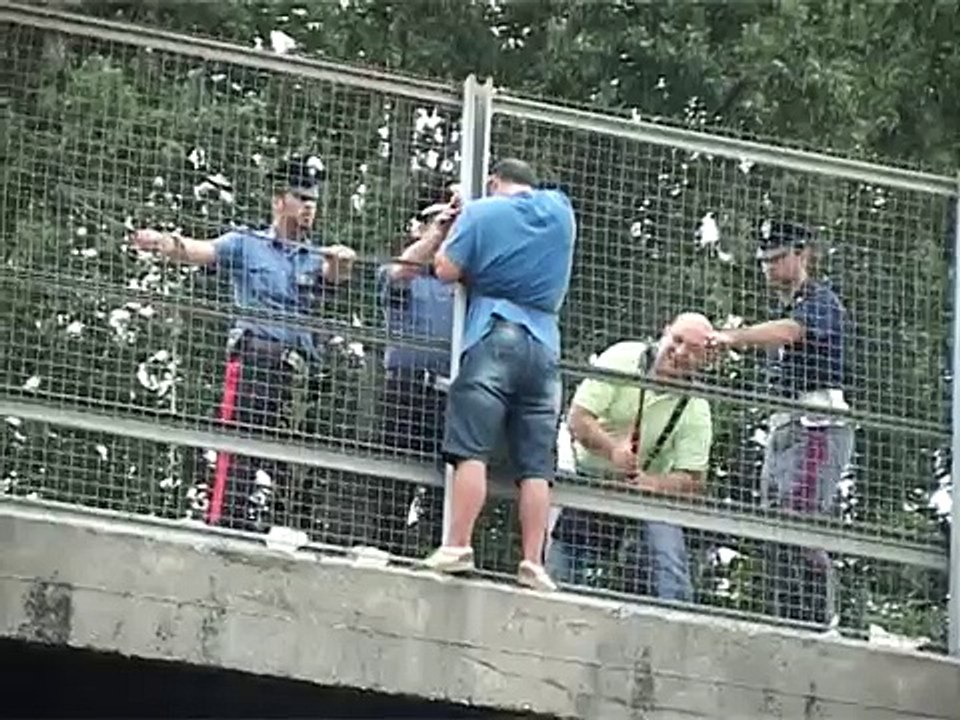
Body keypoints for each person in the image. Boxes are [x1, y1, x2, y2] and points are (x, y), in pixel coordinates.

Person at [131, 154, 356, 532]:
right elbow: (198, 250)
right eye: (301, 197)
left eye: (313, 200)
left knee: (291, 461)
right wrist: (163, 243)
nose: (308, 207)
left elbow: (336, 277)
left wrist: (342, 262)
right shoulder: (245, 244)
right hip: (255, 363)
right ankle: (224, 526)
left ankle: (286, 531)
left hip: (298, 376)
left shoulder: (315, 257)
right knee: (237, 450)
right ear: (278, 201)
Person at [419, 158, 576, 591]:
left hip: (493, 332)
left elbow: (446, 270)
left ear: (493, 182)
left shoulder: (481, 212)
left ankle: (458, 544)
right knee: (537, 465)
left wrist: (471, 239)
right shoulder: (562, 211)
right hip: (545, 345)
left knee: (472, 446)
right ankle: (532, 561)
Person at [711, 219, 853, 626]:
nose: (769, 268)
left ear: (802, 254)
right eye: (763, 261)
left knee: (800, 519)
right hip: (783, 421)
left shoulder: (819, 300)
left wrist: (734, 337)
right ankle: (786, 618)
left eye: (777, 258)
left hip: (816, 422)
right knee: (773, 520)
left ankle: (818, 620)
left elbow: (792, 333)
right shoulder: (782, 309)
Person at [547, 313, 714, 601]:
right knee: (562, 558)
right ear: (664, 332)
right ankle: (546, 613)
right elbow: (578, 418)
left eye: (694, 350)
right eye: (677, 340)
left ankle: (676, 623)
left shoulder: (697, 406)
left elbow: (693, 479)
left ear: (706, 359)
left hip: (645, 493)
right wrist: (612, 450)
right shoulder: (623, 357)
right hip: (586, 474)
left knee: (670, 558)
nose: (681, 352)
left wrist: (655, 484)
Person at [374, 192, 458, 551]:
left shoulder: (462, 286)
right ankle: (385, 551)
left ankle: (438, 556)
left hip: (452, 396)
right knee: (393, 484)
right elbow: (400, 271)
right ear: (418, 228)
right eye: (437, 222)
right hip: (407, 390)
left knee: (446, 490)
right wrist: (436, 235)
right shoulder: (403, 273)